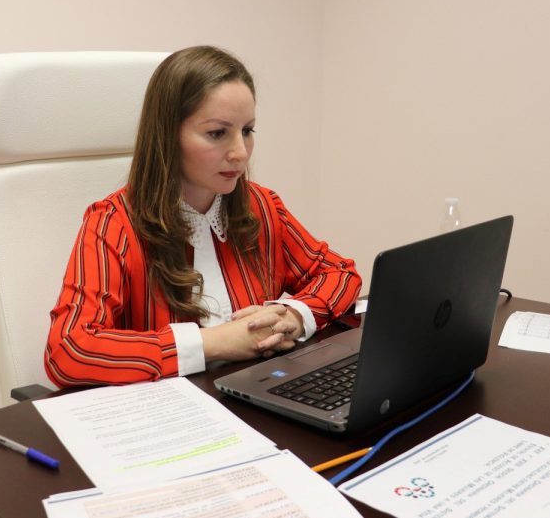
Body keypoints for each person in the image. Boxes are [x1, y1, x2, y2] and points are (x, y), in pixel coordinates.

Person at [45, 46, 361, 388]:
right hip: (166, 408)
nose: (240, 152)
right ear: (168, 135)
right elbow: (69, 350)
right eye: (217, 133)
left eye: (247, 130)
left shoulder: (262, 206)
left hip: (253, 393)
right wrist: (214, 342)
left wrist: (296, 316)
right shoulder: (114, 222)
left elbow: (340, 274)